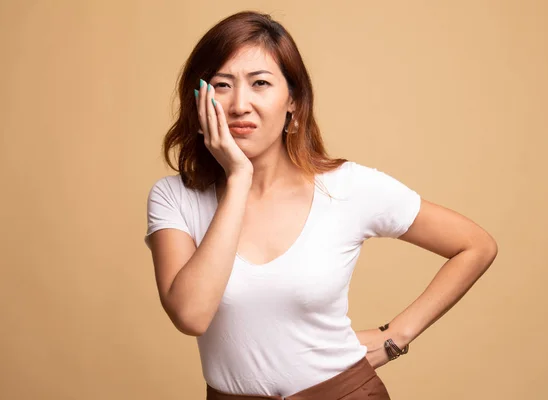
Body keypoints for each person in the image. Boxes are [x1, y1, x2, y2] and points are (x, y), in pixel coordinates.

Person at [144, 10, 498, 400]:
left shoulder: (346, 187)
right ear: (199, 104)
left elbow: (475, 245)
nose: (240, 104)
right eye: (222, 85)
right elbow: (191, 314)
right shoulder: (173, 197)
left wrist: (394, 337)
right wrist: (239, 178)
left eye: (260, 83)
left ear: (292, 101)